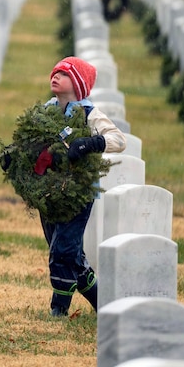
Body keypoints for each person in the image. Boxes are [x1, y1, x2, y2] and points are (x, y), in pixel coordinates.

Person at [38, 56, 125, 317]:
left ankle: (59, 309)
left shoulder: (89, 113)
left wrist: (91, 143)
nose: (55, 76)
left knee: (63, 249)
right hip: (50, 191)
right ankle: (103, 305)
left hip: (78, 193)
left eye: (63, 74)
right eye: (54, 72)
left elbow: (118, 140)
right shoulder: (47, 109)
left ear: (77, 83)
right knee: (67, 250)